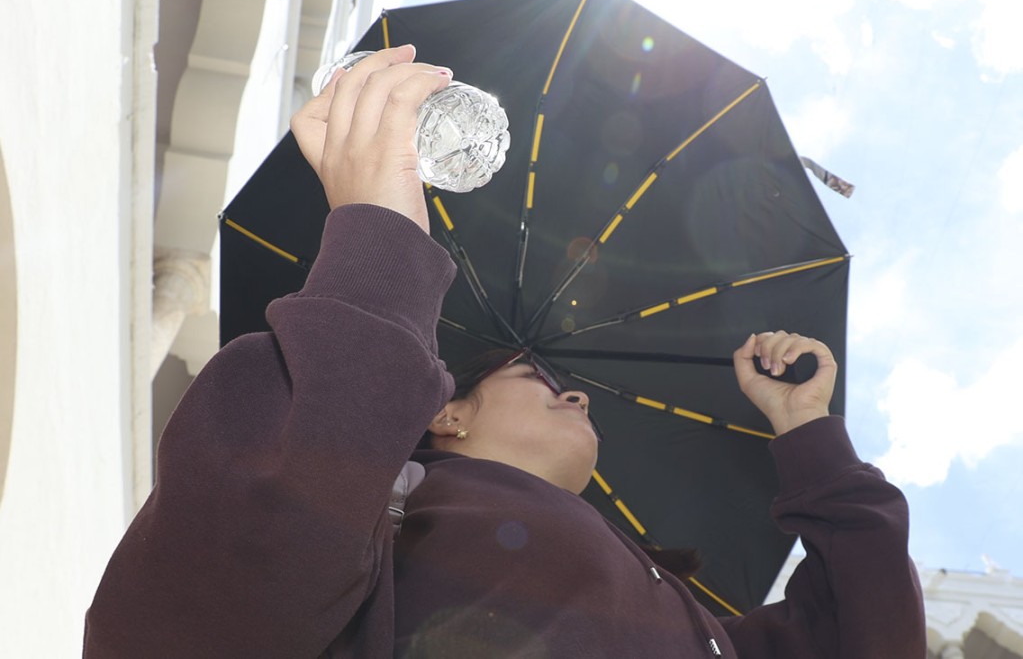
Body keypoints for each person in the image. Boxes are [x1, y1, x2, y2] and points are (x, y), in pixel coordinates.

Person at [84, 46, 925, 658]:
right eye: (537, 375)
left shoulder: (693, 626)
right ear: (444, 412)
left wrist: (807, 430)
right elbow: (209, 607)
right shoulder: (381, 512)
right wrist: (377, 239)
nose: (577, 396)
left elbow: (873, 632)